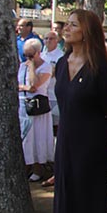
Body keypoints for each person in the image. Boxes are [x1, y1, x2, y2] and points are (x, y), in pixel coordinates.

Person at [52, 9, 107, 213]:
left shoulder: (98, 68)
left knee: (91, 202)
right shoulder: (61, 63)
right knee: (70, 201)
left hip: (92, 145)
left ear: (86, 31)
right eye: (66, 24)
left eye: (73, 25)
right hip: (66, 142)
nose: (66, 28)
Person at [18, 39, 55, 181]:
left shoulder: (46, 67)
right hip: (23, 106)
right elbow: (18, 84)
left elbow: (34, 85)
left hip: (37, 108)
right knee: (25, 138)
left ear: (38, 53)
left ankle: (38, 168)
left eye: (30, 55)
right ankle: (26, 165)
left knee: (37, 138)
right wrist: (25, 87)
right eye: (25, 55)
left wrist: (32, 67)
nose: (28, 59)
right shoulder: (22, 66)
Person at [40, 31, 65, 188]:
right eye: (46, 38)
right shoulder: (42, 54)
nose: (48, 41)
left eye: (51, 38)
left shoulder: (60, 56)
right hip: (44, 96)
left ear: (57, 40)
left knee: (57, 130)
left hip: (55, 96)